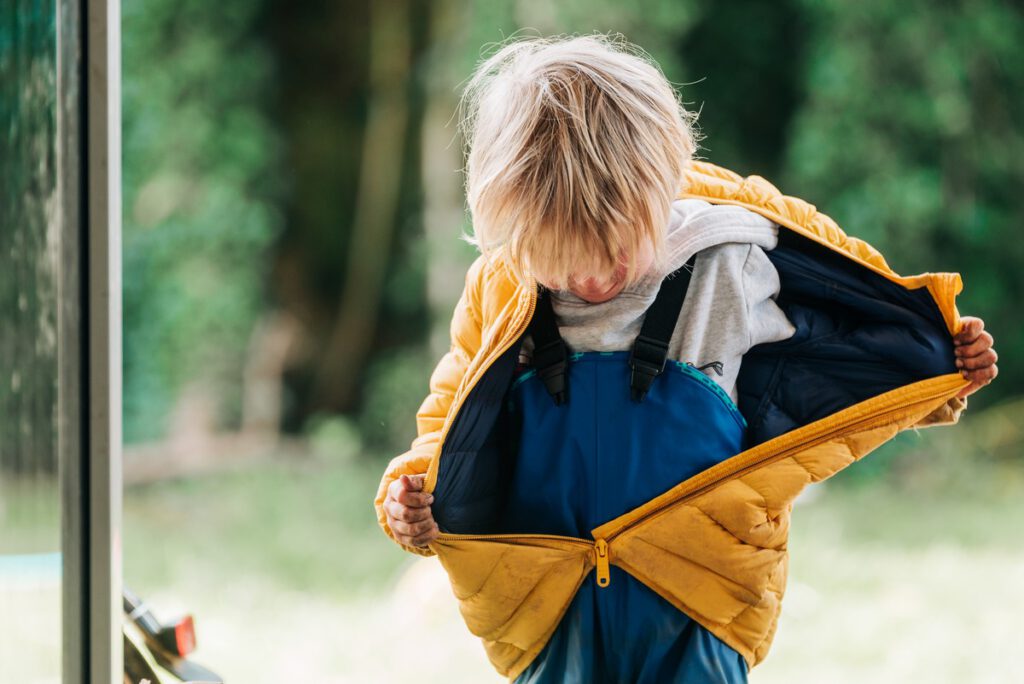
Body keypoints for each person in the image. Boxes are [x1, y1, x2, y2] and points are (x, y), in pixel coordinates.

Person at [375, 34, 999, 682]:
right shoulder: (502, 292)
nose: (591, 284)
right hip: (551, 608)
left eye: (616, 254)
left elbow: (848, 362)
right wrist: (412, 493)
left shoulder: (734, 263)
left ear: (663, 192)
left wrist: (939, 369)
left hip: (700, 598)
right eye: (565, 263)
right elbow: (449, 418)